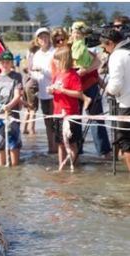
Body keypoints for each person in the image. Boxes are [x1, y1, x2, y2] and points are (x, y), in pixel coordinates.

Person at [71, 22, 111, 157]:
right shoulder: (68, 47)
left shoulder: (90, 46)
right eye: (74, 31)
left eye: (79, 32)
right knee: (75, 120)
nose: (76, 34)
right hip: (74, 88)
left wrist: (85, 70)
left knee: (97, 119)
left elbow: (98, 62)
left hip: (90, 85)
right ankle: (77, 150)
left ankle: (104, 151)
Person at [46, 46, 82, 171]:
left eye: (57, 59)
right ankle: (61, 166)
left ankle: (74, 166)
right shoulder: (57, 75)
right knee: (60, 143)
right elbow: (55, 90)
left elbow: (78, 93)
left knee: (71, 142)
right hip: (57, 113)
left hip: (70, 114)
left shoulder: (73, 75)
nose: (54, 62)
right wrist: (51, 90)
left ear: (64, 60)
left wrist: (63, 90)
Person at [100, 28, 130, 172]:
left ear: (110, 43)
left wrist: (108, 91)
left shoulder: (117, 56)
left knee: (126, 143)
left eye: (104, 47)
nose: (105, 50)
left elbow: (116, 84)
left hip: (126, 104)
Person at [30, 27, 57, 154]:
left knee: (56, 122)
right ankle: (51, 147)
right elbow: (34, 75)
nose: (43, 39)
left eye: (45, 36)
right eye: (41, 37)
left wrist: (41, 70)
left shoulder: (55, 52)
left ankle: (58, 147)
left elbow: (55, 74)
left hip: (55, 92)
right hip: (42, 93)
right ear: (37, 40)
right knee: (47, 122)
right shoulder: (36, 55)